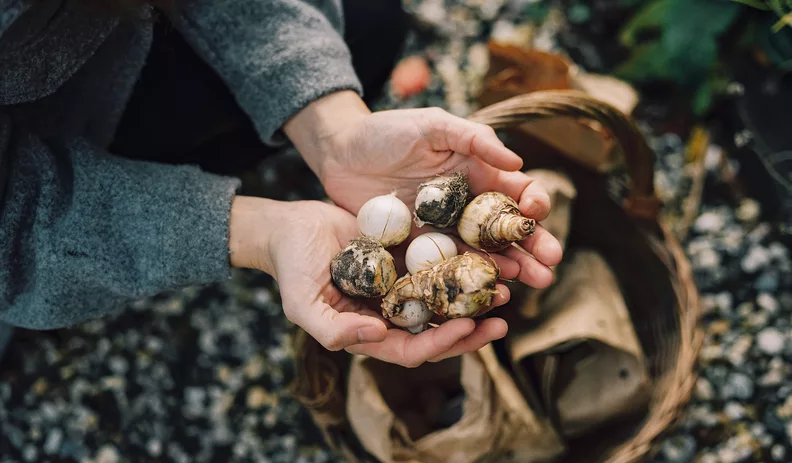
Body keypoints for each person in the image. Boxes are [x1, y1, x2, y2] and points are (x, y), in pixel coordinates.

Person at [0, 0, 562, 368]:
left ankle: (233, 145)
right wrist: (245, 229)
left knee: (370, 21)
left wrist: (332, 127)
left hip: (109, 44)